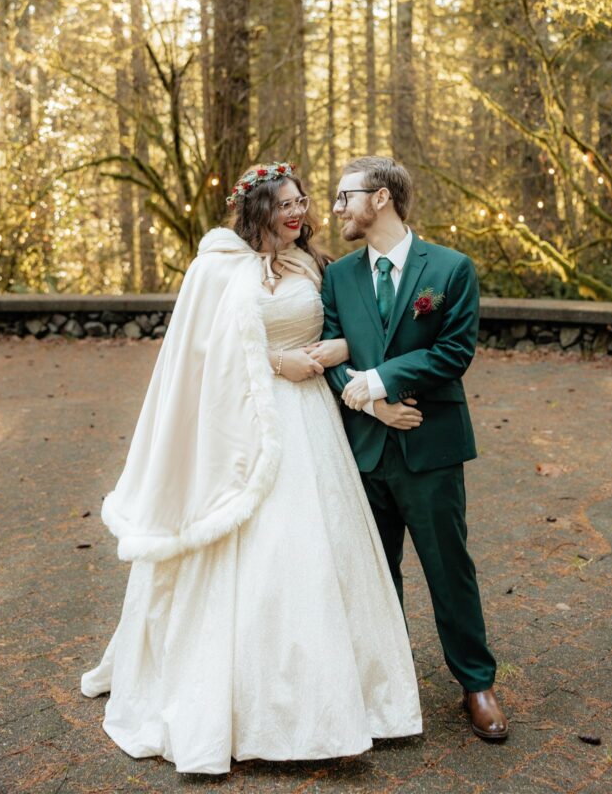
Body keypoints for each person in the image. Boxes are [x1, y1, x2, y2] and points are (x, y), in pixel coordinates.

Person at [81, 161, 421, 776]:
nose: (298, 212)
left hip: (313, 425)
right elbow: (202, 349)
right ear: (258, 208)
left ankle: (338, 699)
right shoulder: (216, 267)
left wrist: (335, 350)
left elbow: (354, 332)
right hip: (245, 423)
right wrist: (273, 362)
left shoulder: (317, 266)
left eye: (302, 201)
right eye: (285, 204)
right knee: (248, 548)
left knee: (315, 550)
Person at [321, 156, 508, 741]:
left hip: (431, 446)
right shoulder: (338, 276)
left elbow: (454, 352)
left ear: (379, 198)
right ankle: (388, 687)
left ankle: (476, 684)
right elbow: (331, 350)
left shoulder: (451, 269)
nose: (336, 209)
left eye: (344, 196)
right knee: (377, 574)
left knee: (449, 570)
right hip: (364, 449)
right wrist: (370, 401)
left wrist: (381, 380)